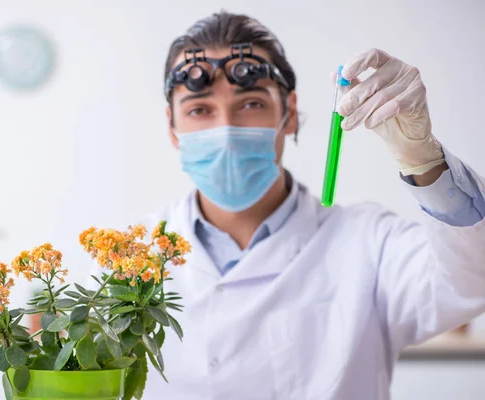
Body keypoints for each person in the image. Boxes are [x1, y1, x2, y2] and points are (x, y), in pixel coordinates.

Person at [136, 10, 485, 400]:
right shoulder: (131, 260)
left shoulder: (368, 243)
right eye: (200, 110)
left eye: (251, 104)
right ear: (172, 125)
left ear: (289, 112)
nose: (226, 132)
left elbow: (473, 279)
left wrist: (423, 160)